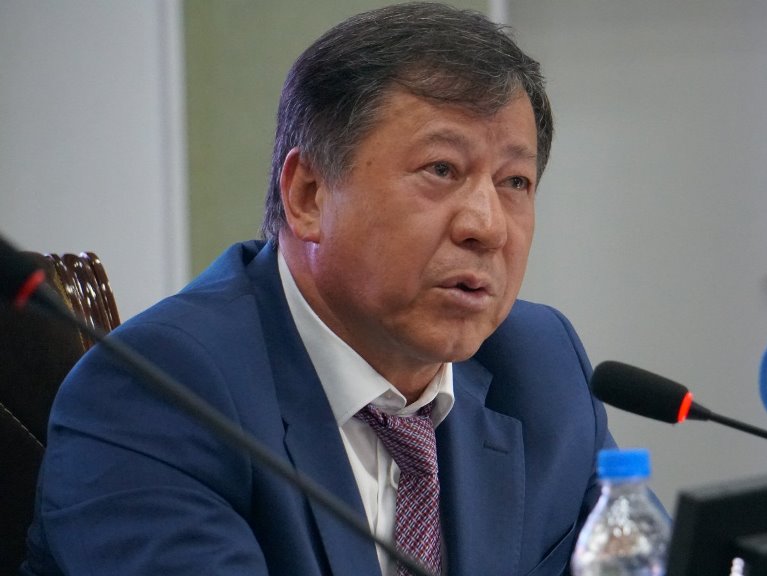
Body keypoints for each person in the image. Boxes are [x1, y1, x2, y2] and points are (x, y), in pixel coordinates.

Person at [22, 3, 614, 575]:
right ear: (308, 195)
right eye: (441, 169)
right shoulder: (160, 393)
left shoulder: (542, 368)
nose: (486, 226)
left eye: (515, 182)